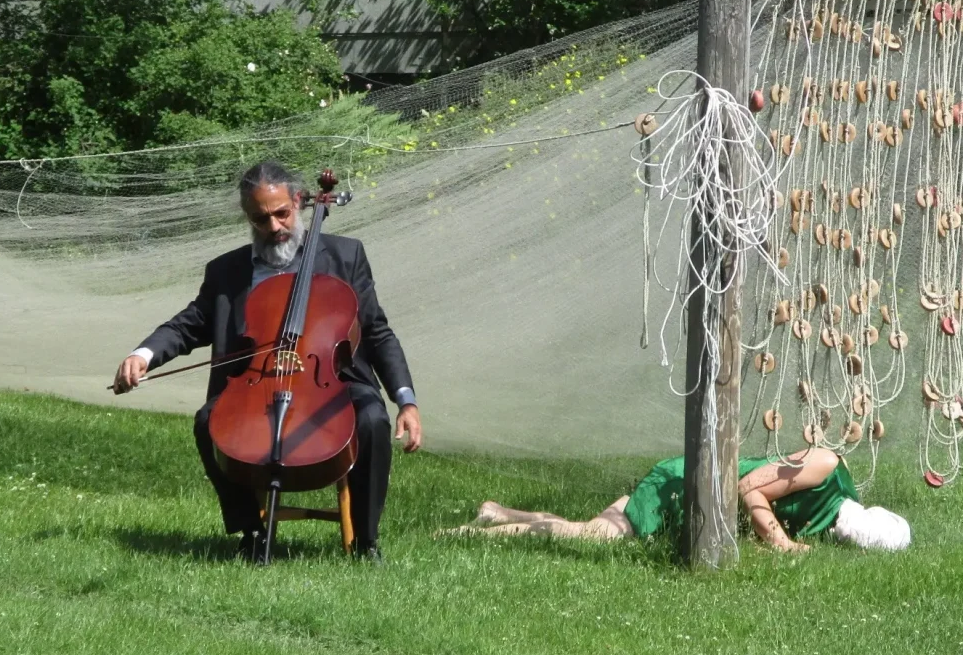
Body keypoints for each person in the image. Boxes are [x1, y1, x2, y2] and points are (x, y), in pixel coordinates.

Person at [112, 160, 422, 561]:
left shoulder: (346, 256)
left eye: (282, 214)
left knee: (371, 420)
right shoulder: (227, 272)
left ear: (299, 202)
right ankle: (252, 532)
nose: (274, 227)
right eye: (261, 219)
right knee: (210, 421)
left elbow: (376, 330)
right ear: (248, 217)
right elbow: (189, 325)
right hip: (257, 387)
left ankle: (367, 541)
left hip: (333, 383)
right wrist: (143, 355)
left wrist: (406, 400)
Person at [445, 447, 911, 553]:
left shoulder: (826, 524)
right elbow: (748, 488)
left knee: (601, 525)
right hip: (686, 483)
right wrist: (782, 544)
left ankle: (497, 513)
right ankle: (460, 535)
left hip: (696, 495)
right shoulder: (829, 466)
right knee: (594, 538)